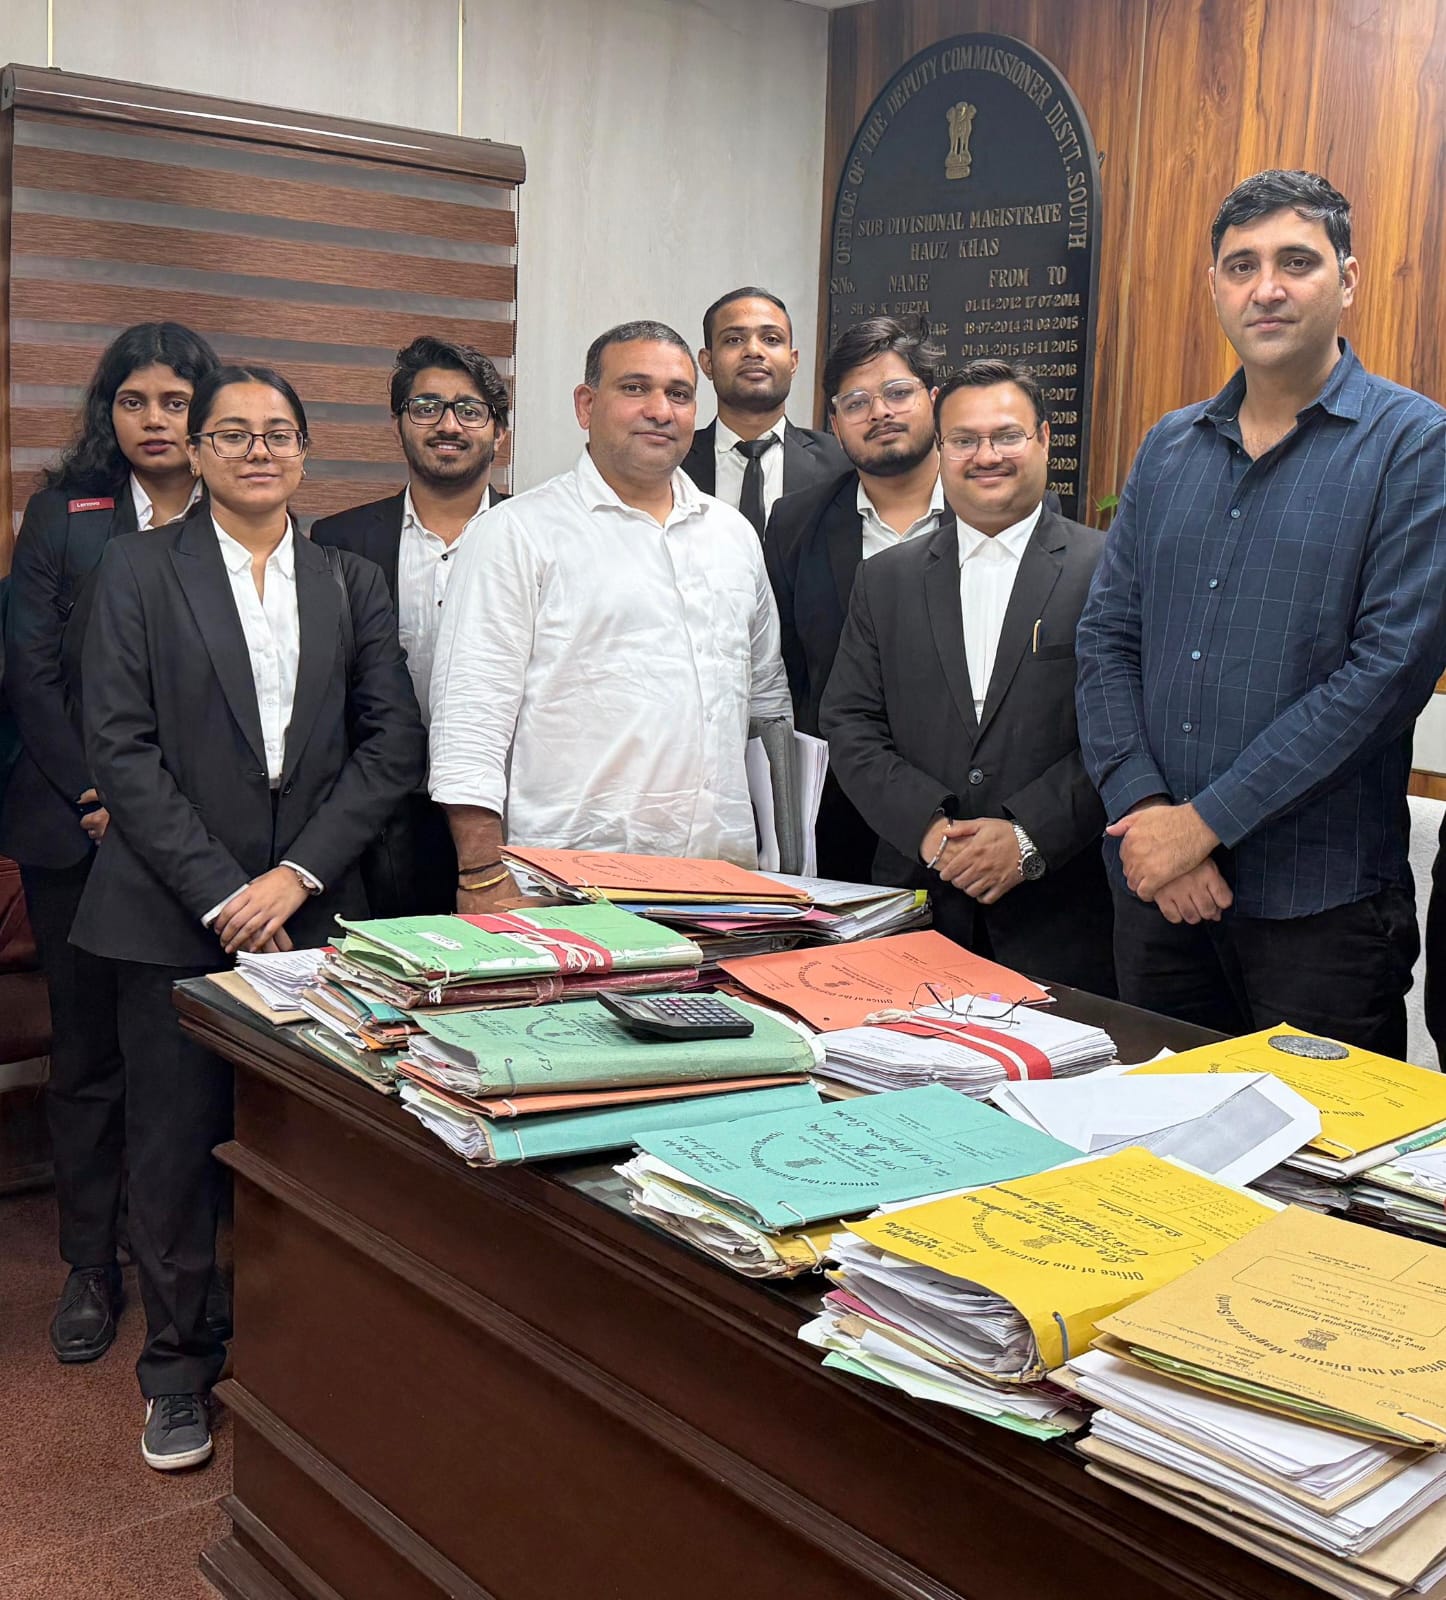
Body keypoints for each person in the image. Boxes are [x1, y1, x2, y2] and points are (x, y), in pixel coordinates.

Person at [72, 363, 425, 1470]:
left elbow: (391, 746)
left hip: (313, 915)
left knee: (311, 1147)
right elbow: (120, 748)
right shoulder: (137, 570)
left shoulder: (349, 581)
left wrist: (297, 876)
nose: (257, 449)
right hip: (171, 914)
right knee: (173, 1147)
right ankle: (177, 1371)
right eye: (232, 432)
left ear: (306, 453)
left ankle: (301, 1352)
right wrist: (228, 891)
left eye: (278, 432)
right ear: (199, 452)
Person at [1076, 170, 1446, 1055]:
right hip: (1156, 900)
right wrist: (1148, 813)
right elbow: (1106, 639)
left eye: (1296, 262)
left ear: (1347, 280)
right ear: (1215, 287)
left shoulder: (1414, 445)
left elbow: (1386, 674)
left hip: (1321, 916)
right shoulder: (1169, 447)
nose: (1266, 288)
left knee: (1321, 1147)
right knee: (1159, 1134)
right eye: (1242, 266)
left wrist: (1200, 826)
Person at [0, 322, 218, 1367]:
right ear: (109, 411)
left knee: (181, 1057)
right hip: (75, 830)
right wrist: (101, 793)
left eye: (176, 402)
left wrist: (158, 813)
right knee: (86, 1054)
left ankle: (183, 1250)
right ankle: (90, 1263)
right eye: (136, 402)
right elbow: (30, 673)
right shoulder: (65, 515)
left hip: (197, 840)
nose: (156, 421)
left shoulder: (241, 513)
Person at [429, 320, 792, 905]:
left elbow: (767, 706)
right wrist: (481, 874)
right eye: (635, 388)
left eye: (679, 394)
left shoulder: (733, 536)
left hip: (722, 883)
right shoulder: (515, 533)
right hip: (566, 883)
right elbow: (470, 720)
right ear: (586, 405)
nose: (660, 410)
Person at [821, 360, 1113, 993]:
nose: (986, 456)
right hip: (917, 911)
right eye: (963, 440)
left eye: (1007, 435)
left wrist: (1030, 837)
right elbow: (849, 723)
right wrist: (931, 833)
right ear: (940, 448)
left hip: (1064, 917)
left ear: (1044, 440)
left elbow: (1127, 729)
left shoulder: (1108, 569)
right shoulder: (885, 579)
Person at [312, 336, 511, 913]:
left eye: (469, 409)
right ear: (398, 423)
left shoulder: (536, 535)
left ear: (499, 431)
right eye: (426, 407)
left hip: (503, 811)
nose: (448, 424)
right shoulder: (339, 540)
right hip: (379, 817)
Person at [765, 317, 946, 880]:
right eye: (857, 402)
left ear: (934, 399)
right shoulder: (796, 524)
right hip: (840, 813)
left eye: (898, 392)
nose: (880, 412)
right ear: (835, 424)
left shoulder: (994, 512)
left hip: (966, 811)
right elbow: (787, 672)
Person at [680, 286, 844, 535]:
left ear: (793, 362)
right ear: (707, 362)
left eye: (771, 339)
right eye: (734, 340)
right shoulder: (674, 462)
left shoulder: (841, 463)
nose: (754, 351)